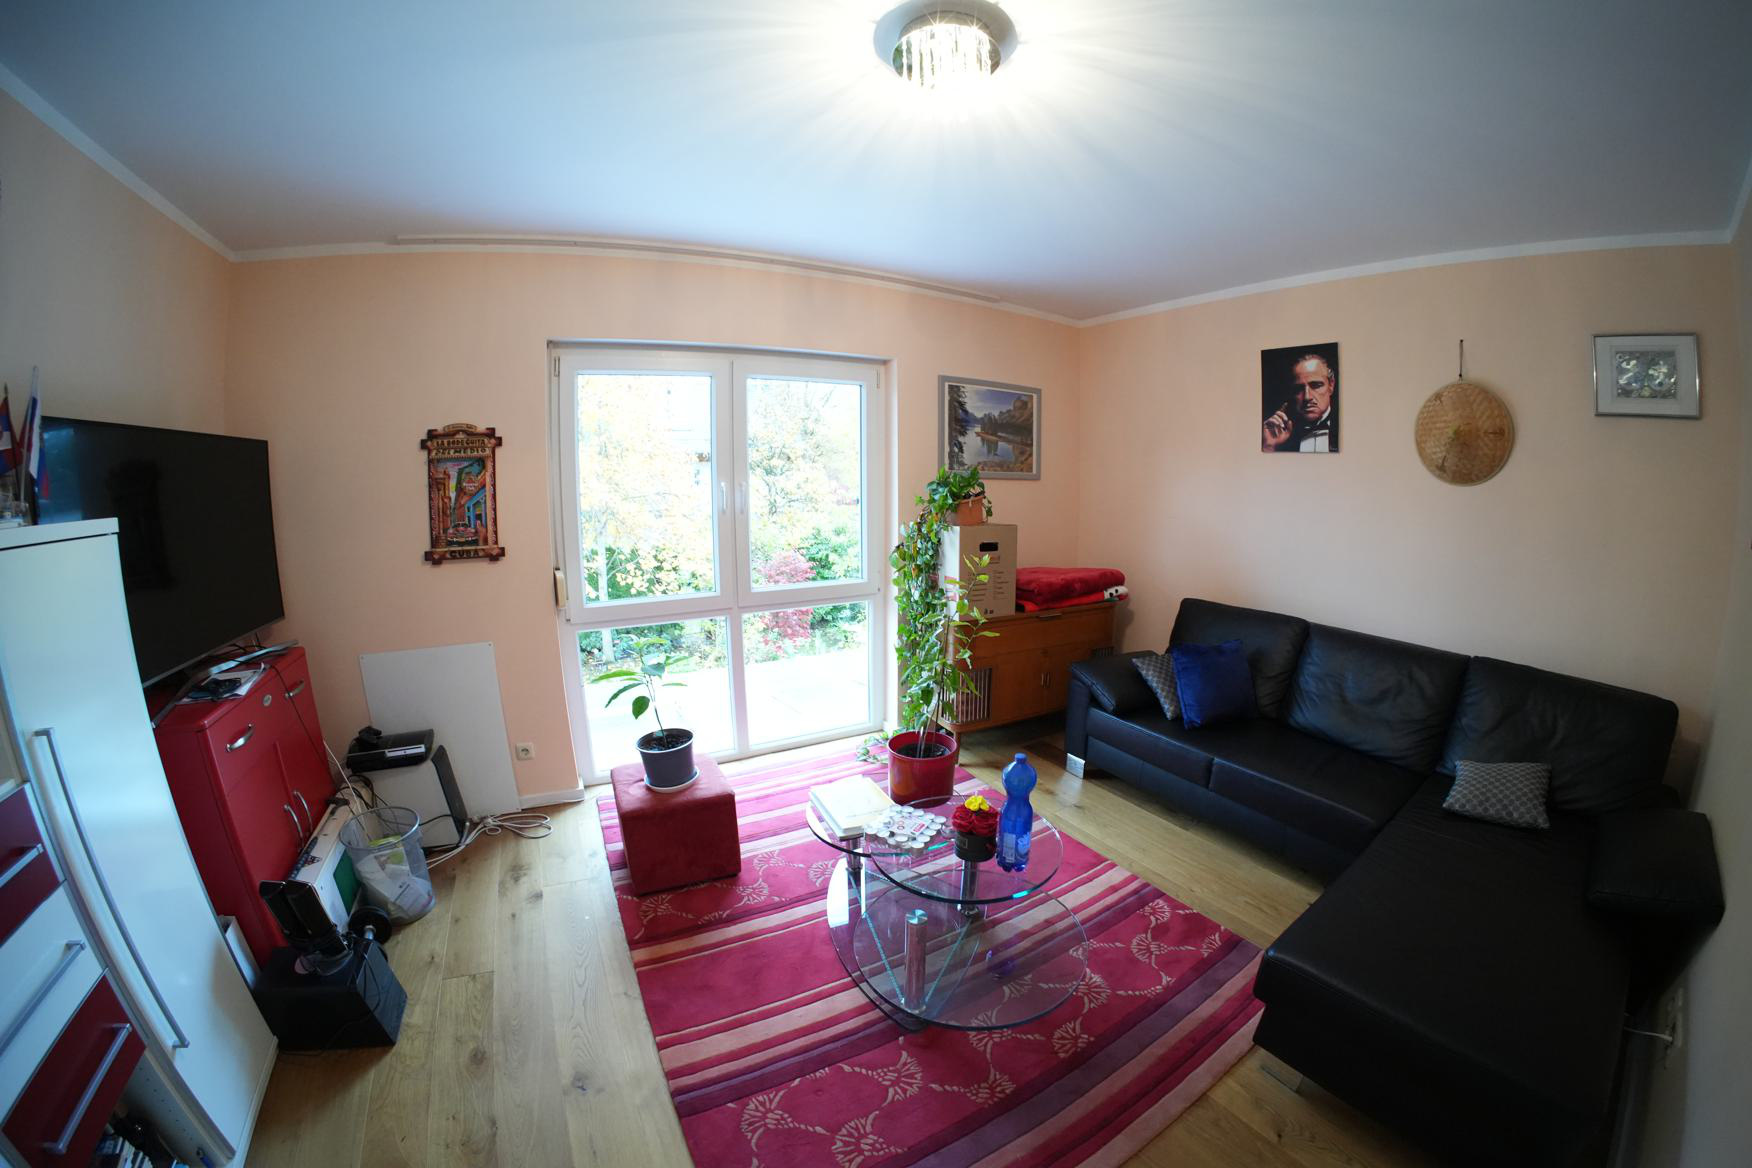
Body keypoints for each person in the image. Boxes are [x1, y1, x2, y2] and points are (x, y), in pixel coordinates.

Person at [1262, 353, 1338, 452]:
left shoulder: (1348, 427)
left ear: (1331, 385)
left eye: (1316, 385)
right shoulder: (1279, 436)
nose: (1307, 397)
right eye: (1298, 389)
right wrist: (1268, 445)